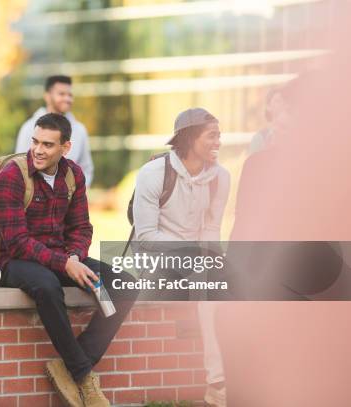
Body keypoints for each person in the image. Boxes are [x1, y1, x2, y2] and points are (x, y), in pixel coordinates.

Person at [0, 113, 136, 407]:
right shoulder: (11, 176)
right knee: (46, 285)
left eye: (48, 144)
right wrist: (64, 264)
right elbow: (16, 242)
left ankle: (69, 365)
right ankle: (83, 376)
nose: (38, 150)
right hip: (13, 262)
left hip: (60, 257)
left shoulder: (73, 175)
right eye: (35, 142)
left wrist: (74, 257)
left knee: (125, 284)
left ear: (65, 148)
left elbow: (81, 228)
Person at [132, 108, 231, 407]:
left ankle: (239, 374)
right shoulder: (153, 173)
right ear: (189, 139)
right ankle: (217, 381)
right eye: (211, 135)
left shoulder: (220, 178)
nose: (219, 142)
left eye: (219, 135)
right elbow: (147, 237)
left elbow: (212, 230)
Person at [15, 75, 94, 187]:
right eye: (61, 94)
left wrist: (78, 193)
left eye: (70, 95)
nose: (67, 99)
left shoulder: (80, 130)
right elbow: (19, 166)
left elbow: (86, 168)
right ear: (47, 96)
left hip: (69, 200)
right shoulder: (29, 128)